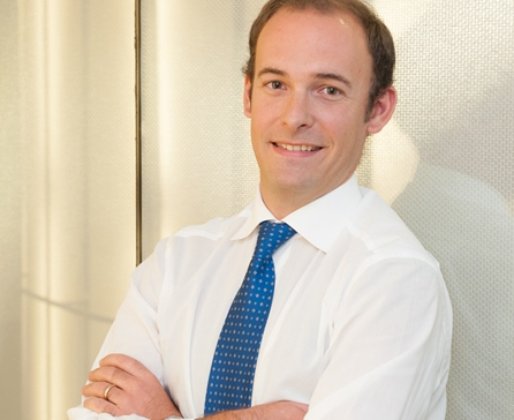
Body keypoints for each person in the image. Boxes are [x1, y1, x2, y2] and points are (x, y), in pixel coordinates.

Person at [68, 0, 452, 419]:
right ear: (248, 95)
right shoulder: (175, 264)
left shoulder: (395, 277)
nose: (294, 117)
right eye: (276, 84)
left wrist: (161, 415)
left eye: (328, 90)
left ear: (378, 109)